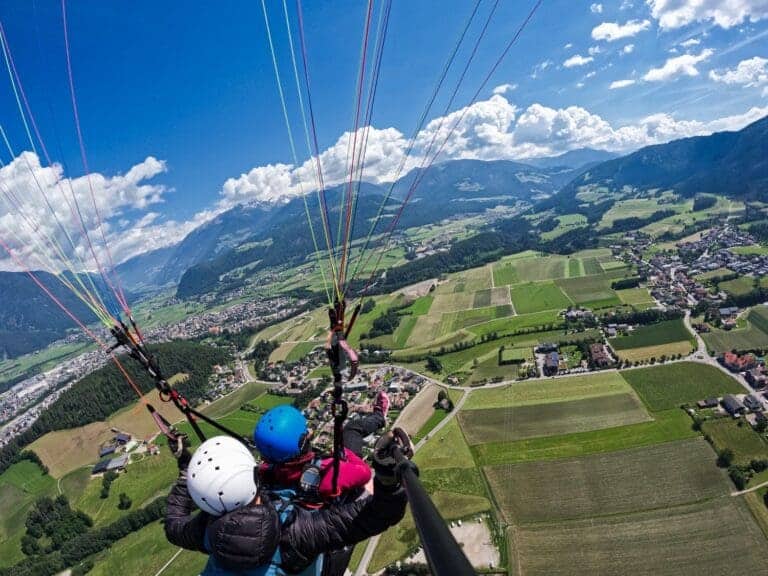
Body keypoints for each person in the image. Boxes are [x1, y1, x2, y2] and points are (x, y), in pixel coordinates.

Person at [165, 430, 413, 575]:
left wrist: (186, 470)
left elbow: (174, 524)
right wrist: (386, 474)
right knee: (354, 497)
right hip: (320, 564)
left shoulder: (206, 532)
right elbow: (380, 513)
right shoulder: (295, 533)